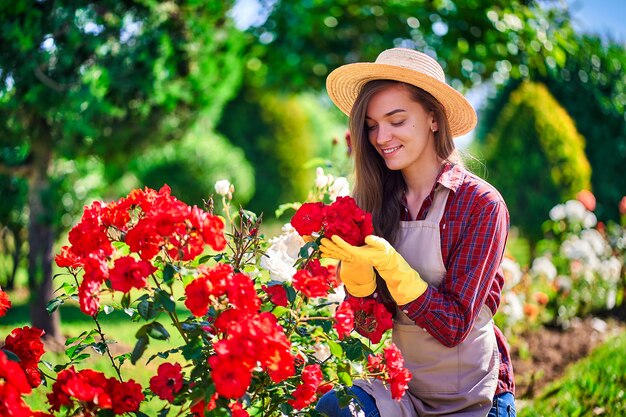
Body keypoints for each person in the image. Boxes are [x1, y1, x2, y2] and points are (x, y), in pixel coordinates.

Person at [315, 48, 515, 417]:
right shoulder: (375, 204)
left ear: (433, 119)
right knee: (334, 408)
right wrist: (359, 287)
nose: (381, 136)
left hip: (474, 394)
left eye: (396, 120)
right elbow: (369, 329)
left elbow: (453, 327)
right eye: (372, 125)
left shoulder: (479, 205)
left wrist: (397, 271)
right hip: (401, 390)